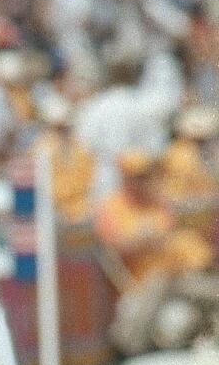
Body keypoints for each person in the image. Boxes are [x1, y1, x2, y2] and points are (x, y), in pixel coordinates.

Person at [94, 148, 219, 354]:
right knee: (163, 293)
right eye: (139, 177)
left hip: (177, 278)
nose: (145, 181)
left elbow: (173, 238)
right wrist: (144, 238)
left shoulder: (159, 203)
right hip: (139, 285)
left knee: (195, 299)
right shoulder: (112, 207)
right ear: (126, 179)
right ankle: (129, 351)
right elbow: (114, 248)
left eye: (147, 175)